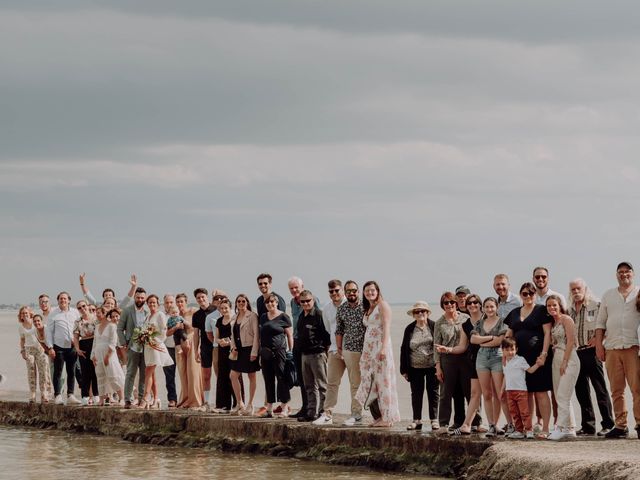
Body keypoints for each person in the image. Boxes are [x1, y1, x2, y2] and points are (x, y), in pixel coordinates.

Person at [596, 261, 640, 439]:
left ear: (633, 273)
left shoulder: (639, 293)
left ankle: (639, 423)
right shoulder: (608, 295)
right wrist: (599, 345)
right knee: (616, 389)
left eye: (627, 271)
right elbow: (600, 323)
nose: (624, 274)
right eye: (620, 272)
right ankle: (621, 425)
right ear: (616, 275)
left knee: (637, 388)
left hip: (633, 347)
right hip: (612, 348)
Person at [504, 282, 553, 438]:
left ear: (535, 295)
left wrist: (544, 354)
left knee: (541, 392)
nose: (528, 296)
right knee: (526, 394)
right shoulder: (514, 312)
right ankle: (528, 428)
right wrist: (505, 355)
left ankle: (545, 428)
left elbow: (547, 333)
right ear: (520, 295)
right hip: (518, 359)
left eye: (531, 293)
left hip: (537, 358)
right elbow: (508, 335)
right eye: (524, 293)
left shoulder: (541, 310)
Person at [568, 278, 614, 436]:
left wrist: (599, 339)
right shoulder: (569, 310)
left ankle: (608, 424)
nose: (575, 292)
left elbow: (608, 323)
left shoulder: (596, 304)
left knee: (600, 389)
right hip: (576, 353)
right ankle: (588, 426)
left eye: (578, 288)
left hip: (592, 352)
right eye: (573, 289)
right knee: (581, 391)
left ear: (585, 289)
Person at [355, 281, 400, 427]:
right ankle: (379, 416)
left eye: (372, 290)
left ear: (378, 291)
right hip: (368, 351)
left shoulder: (382, 305)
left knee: (383, 381)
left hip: (380, 348)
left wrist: (383, 348)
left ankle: (387, 418)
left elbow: (386, 328)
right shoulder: (368, 308)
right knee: (369, 382)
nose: (370, 293)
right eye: (367, 291)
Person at [433, 291, 471, 433]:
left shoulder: (465, 318)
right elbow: (436, 346)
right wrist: (438, 367)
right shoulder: (439, 323)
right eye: (446, 303)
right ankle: (443, 424)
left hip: (465, 358)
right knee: (446, 393)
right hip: (447, 360)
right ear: (442, 305)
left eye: (452, 302)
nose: (449, 305)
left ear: (456, 303)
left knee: (469, 391)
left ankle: (475, 422)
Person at [471, 297, 509, 437]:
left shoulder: (502, 322)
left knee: (500, 394)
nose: (489, 309)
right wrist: (490, 338)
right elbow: (473, 339)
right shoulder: (479, 322)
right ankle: (492, 425)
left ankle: (510, 424)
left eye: (492, 306)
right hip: (481, 358)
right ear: (483, 308)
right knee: (487, 394)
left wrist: (484, 341)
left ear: (496, 307)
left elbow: (500, 341)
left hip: (497, 357)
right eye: (487, 307)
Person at [400, 301, 438, 431]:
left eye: (423, 311)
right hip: (414, 367)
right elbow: (404, 348)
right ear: (413, 315)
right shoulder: (409, 328)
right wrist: (403, 369)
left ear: (427, 313)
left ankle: (434, 420)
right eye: (417, 312)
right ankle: (417, 420)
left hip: (432, 365)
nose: (420, 313)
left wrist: (441, 366)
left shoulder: (434, 326)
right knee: (416, 393)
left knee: (433, 393)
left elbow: (439, 346)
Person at [546, 295, 579, 440]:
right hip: (556, 358)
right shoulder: (553, 323)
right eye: (549, 306)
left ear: (559, 305)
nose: (552, 308)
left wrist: (565, 361)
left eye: (554, 305)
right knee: (561, 395)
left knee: (563, 395)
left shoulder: (567, 319)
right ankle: (569, 428)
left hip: (569, 357)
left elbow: (571, 340)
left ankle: (559, 427)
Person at [313, 280, 346, 426]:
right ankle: (327, 414)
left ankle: (357, 415)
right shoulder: (326, 308)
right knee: (332, 383)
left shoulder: (351, 306)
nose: (334, 293)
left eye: (337, 290)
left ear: (342, 290)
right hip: (334, 350)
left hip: (351, 349)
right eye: (331, 291)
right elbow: (328, 328)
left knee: (356, 384)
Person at [334, 280, 367, 427]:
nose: (351, 293)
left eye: (354, 290)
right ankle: (356, 414)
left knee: (374, 383)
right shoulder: (342, 309)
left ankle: (380, 414)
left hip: (368, 350)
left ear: (358, 291)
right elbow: (339, 330)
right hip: (350, 350)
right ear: (345, 293)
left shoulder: (367, 306)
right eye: (348, 291)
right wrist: (339, 348)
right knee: (355, 383)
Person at [256, 293, 294, 418]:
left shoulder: (284, 316)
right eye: (267, 303)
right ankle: (269, 408)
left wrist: (291, 350)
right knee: (268, 379)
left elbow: (289, 335)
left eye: (272, 302)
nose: (270, 304)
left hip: (280, 351)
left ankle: (284, 407)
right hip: (265, 352)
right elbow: (260, 335)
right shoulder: (263, 317)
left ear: (277, 302)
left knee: (282, 378)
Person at [288, 276, 320, 418]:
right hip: (297, 342)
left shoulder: (313, 300)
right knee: (301, 378)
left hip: (312, 345)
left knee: (315, 378)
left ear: (302, 286)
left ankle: (317, 409)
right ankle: (305, 407)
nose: (294, 290)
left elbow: (319, 320)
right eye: (291, 288)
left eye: (296, 287)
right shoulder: (292, 303)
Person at [297, 290, 330, 422]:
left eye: (308, 301)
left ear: (313, 300)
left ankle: (324, 412)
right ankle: (311, 412)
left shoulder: (319, 315)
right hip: (304, 355)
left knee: (322, 385)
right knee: (309, 386)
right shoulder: (301, 316)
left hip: (317, 354)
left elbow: (326, 337)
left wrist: (325, 354)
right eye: (303, 301)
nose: (305, 303)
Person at [502, 338, 545, 439]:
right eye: (507, 350)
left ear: (516, 349)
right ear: (502, 350)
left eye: (512, 349)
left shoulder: (520, 359)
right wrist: (502, 389)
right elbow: (506, 376)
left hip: (521, 391)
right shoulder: (504, 362)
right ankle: (519, 431)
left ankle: (529, 430)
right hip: (509, 391)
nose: (510, 352)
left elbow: (530, 370)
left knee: (524, 412)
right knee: (514, 413)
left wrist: (538, 364)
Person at [45, 292, 82, 405]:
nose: (63, 300)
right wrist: (50, 347)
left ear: (69, 300)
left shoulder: (75, 312)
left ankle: (70, 394)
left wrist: (77, 341)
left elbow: (79, 328)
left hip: (72, 347)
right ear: (58, 300)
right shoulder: (53, 313)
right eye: (61, 299)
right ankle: (58, 395)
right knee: (58, 372)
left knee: (71, 371)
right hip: (58, 346)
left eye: (65, 299)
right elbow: (49, 332)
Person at [117, 287, 149, 409]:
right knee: (130, 373)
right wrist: (124, 343)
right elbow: (120, 328)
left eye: (142, 298)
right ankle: (128, 400)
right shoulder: (127, 310)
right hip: (132, 347)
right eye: (138, 297)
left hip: (145, 348)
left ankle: (141, 399)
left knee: (143, 374)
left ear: (145, 299)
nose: (140, 299)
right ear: (134, 298)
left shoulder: (148, 312)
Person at [140, 294, 173, 409]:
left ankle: (145, 399)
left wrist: (154, 341)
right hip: (147, 347)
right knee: (152, 374)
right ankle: (156, 399)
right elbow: (144, 331)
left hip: (156, 346)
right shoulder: (148, 316)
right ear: (147, 304)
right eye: (150, 303)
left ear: (158, 304)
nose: (152, 304)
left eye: (154, 302)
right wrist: (143, 338)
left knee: (148, 371)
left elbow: (164, 332)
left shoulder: (160, 315)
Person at [230, 294, 259, 416]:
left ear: (247, 302)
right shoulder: (235, 317)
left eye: (243, 301)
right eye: (238, 301)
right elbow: (233, 335)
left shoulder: (252, 316)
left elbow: (257, 335)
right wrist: (233, 347)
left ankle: (250, 404)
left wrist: (254, 352)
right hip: (238, 351)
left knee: (251, 376)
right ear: (236, 303)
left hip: (249, 349)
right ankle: (240, 403)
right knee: (233, 375)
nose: (241, 303)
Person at [92, 308, 125, 406]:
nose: (97, 315)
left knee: (113, 374)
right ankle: (101, 399)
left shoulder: (112, 326)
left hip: (109, 353)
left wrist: (108, 355)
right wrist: (93, 356)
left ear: (104, 314)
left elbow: (113, 341)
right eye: (96, 313)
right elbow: (95, 342)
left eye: (98, 313)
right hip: (98, 353)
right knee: (100, 375)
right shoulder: (97, 326)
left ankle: (122, 398)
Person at [18, 306, 51, 403]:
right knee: (31, 372)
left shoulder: (35, 322)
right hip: (28, 350)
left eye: (26, 313)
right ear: (21, 316)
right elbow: (22, 340)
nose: (25, 314)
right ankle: (32, 393)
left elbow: (43, 332)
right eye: (23, 313)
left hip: (40, 349)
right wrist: (22, 351)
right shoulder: (21, 327)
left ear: (30, 313)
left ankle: (44, 392)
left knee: (44, 371)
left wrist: (48, 347)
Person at [175, 301, 205, 410]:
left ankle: (196, 401)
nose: (180, 304)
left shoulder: (193, 311)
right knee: (183, 373)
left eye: (182, 301)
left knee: (193, 372)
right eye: (178, 302)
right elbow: (174, 333)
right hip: (180, 345)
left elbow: (197, 327)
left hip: (192, 341)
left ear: (186, 302)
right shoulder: (176, 315)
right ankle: (185, 398)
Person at [215, 298, 242, 411]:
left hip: (233, 350)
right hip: (222, 351)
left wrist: (230, 342)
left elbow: (238, 336)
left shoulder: (235, 319)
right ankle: (224, 405)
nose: (224, 310)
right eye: (221, 308)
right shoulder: (219, 321)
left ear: (230, 307)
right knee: (222, 377)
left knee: (235, 377)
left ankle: (238, 403)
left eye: (226, 308)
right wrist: (219, 342)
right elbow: (216, 337)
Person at [192, 288, 216, 409]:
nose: (201, 299)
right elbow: (196, 334)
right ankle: (206, 402)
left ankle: (223, 402)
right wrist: (196, 351)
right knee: (206, 376)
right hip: (205, 347)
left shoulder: (216, 309)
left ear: (207, 297)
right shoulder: (196, 315)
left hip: (218, 347)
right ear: (196, 300)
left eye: (203, 297)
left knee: (221, 375)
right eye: (198, 298)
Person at [73, 300, 99, 406]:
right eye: (79, 308)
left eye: (83, 306)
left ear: (87, 306)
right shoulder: (77, 321)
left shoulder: (95, 318)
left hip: (95, 343)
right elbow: (75, 336)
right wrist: (77, 349)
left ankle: (96, 395)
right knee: (85, 372)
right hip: (83, 344)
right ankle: (85, 396)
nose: (82, 309)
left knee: (95, 371)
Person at [162, 294, 178, 408]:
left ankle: (186, 398)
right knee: (169, 376)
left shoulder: (178, 314)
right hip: (167, 347)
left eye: (171, 302)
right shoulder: (162, 316)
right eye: (167, 303)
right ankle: (172, 399)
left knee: (184, 375)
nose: (169, 305)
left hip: (179, 347)